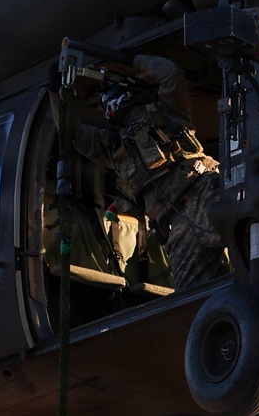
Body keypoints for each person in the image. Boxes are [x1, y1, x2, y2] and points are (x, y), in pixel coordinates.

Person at [52, 54, 226, 293]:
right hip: (176, 228)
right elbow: (73, 134)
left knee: (255, 241)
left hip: (205, 196)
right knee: (192, 303)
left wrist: (130, 60)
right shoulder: (111, 145)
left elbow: (171, 74)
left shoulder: (167, 113)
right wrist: (56, 92)